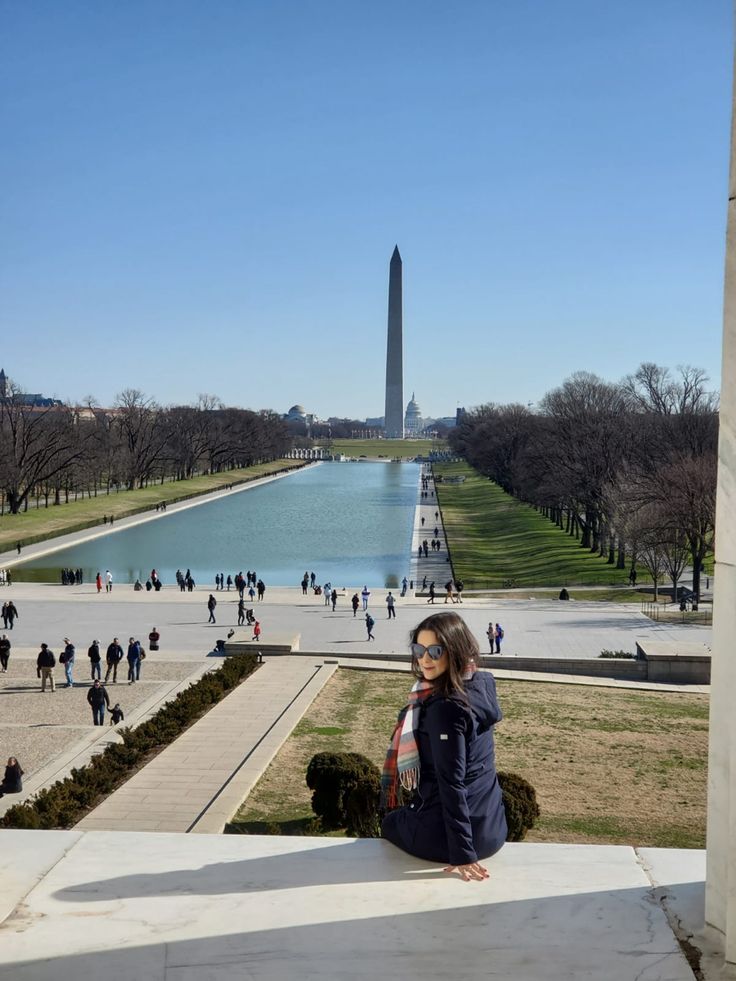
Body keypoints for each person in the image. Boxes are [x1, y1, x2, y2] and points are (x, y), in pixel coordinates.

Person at [381, 612, 507, 880]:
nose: (424, 659)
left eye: (435, 651)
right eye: (418, 649)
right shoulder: (481, 683)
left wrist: (462, 853)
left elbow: (452, 783)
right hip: (492, 828)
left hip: (451, 839)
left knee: (390, 823)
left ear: (455, 651)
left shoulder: (444, 709)